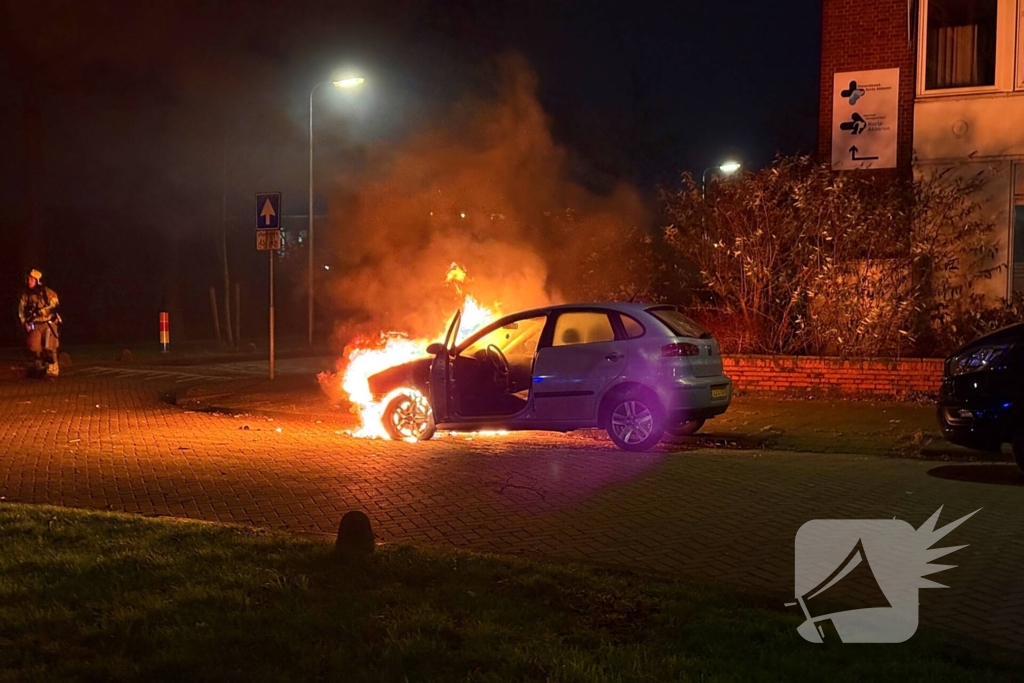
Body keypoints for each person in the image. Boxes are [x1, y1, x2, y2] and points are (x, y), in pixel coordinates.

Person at [18, 269, 61, 377]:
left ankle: (52, 369)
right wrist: (24, 322)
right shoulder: (26, 295)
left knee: (49, 347)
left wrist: (43, 310)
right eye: (28, 279)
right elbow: (21, 309)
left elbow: (55, 303)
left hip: (48, 324)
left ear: (37, 280)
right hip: (35, 324)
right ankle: (40, 366)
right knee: (34, 347)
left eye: (32, 279)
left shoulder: (47, 293)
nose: (29, 281)